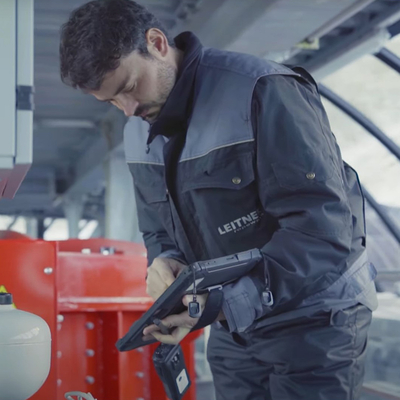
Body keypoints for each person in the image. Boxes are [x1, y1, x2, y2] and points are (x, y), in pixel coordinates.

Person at [59, 1, 378, 399]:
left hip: (315, 318)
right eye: (110, 102)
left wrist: (226, 301)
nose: (128, 110)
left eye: (129, 87)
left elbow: (322, 228)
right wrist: (166, 265)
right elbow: (159, 229)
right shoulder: (137, 132)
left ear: (156, 43)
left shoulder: (262, 90)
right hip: (235, 328)